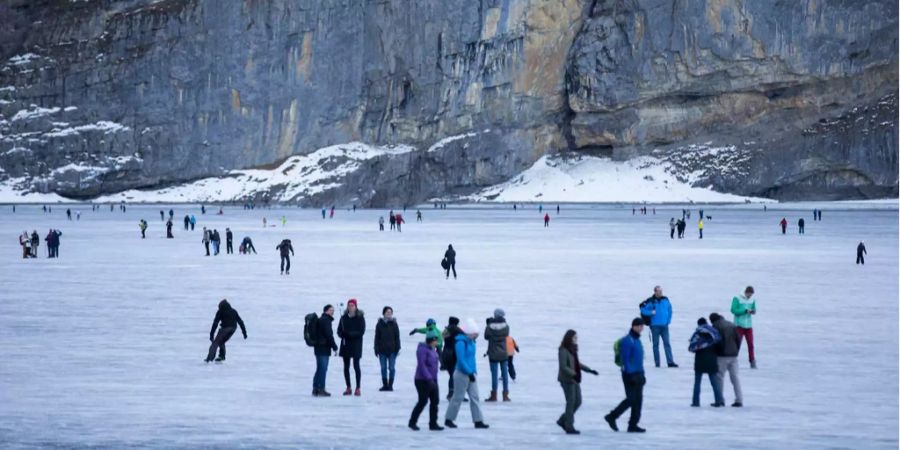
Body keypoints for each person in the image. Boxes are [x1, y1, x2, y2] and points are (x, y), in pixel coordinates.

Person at [444, 319, 489, 429]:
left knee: (475, 397)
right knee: (457, 397)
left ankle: (478, 420)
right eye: (474, 334)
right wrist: (469, 373)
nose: (476, 336)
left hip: (471, 373)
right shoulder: (460, 342)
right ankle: (449, 419)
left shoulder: (471, 342)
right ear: (468, 332)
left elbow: (471, 359)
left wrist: (473, 372)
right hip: (461, 373)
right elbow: (461, 360)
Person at [605, 318, 646, 433]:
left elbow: (639, 360)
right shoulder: (627, 341)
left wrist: (642, 374)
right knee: (631, 399)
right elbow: (626, 360)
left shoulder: (637, 340)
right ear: (633, 326)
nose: (641, 328)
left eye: (642, 326)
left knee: (638, 400)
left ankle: (633, 425)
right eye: (639, 326)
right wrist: (630, 374)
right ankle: (612, 416)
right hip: (629, 375)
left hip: (638, 373)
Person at [557, 330, 598, 434]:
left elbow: (576, 364)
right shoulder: (563, 350)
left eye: (576, 338)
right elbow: (563, 367)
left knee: (578, 402)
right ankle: (569, 426)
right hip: (567, 380)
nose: (576, 339)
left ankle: (562, 420)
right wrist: (573, 374)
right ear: (569, 338)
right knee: (571, 403)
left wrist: (589, 370)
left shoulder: (573, 349)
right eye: (574, 338)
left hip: (575, 380)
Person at [409, 331, 443, 431]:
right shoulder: (422, 350)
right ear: (432, 340)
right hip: (422, 380)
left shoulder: (433, 349)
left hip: (433, 379)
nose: (438, 342)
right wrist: (429, 379)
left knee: (435, 401)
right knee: (423, 401)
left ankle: (433, 423)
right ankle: (412, 422)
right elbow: (422, 365)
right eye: (436, 340)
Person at [709, 313, 743, 407]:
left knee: (719, 378)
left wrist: (715, 353)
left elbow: (716, 341)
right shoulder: (732, 324)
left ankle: (720, 399)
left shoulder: (716, 326)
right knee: (735, 378)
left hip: (721, 356)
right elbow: (738, 339)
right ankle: (739, 399)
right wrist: (736, 350)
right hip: (733, 355)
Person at [639, 286, 677, 368]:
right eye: (658, 291)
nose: (660, 293)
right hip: (654, 326)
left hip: (664, 326)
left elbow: (670, 310)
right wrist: (651, 312)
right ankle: (657, 363)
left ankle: (670, 362)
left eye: (661, 291)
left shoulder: (665, 300)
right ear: (655, 292)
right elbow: (642, 309)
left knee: (667, 344)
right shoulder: (651, 301)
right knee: (656, 345)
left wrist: (668, 320)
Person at [689, 318, 723, 407]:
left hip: (699, 361)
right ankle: (718, 401)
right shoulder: (714, 333)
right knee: (715, 383)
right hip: (712, 360)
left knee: (697, 383)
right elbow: (720, 346)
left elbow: (691, 348)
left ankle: (696, 402)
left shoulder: (697, 334)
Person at [338, 299, 366, 396]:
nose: (350, 307)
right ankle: (348, 387)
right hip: (346, 345)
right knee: (346, 367)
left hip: (356, 345)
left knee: (356, 366)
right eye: (349, 305)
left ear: (356, 306)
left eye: (352, 305)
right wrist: (342, 334)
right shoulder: (343, 318)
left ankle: (358, 387)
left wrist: (349, 334)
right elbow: (339, 331)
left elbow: (361, 332)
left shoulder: (360, 318)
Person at [484, 309, 511, 402]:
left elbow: (486, 336)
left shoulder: (489, 326)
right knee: (505, 374)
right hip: (504, 352)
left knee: (494, 375)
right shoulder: (506, 327)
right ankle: (505, 395)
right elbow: (506, 335)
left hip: (493, 353)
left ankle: (494, 395)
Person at [313, 304, 339, 397]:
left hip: (318, 348)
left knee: (319, 368)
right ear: (326, 311)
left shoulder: (321, 319)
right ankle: (321, 388)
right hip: (323, 348)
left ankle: (316, 388)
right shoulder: (326, 320)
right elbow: (329, 335)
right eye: (331, 310)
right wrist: (335, 347)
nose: (333, 312)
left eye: (333, 310)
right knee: (323, 369)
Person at [374, 306, 401, 392]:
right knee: (383, 368)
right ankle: (385, 385)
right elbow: (376, 337)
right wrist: (376, 348)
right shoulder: (379, 324)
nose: (389, 314)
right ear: (384, 313)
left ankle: (390, 385)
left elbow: (397, 337)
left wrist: (398, 348)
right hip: (382, 350)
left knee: (392, 368)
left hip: (392, 350)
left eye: (390, 312)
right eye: (387, 312)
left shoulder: (394, 324)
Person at [731, 286, 757, 368]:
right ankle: (732, 361)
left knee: (751, 344)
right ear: (746, 292)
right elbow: (733, 310)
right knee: (737, 345)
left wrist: (753, 311)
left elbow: (754, 309)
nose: (750, 296)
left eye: (751, 295)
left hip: (748, 326)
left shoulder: (752, 299)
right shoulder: (737, 298)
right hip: (739, 325)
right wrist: (744, 311)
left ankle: (752, 361)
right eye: (749, 295)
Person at [441, 317, 463, 400]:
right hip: (455, 353)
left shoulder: (446, 330)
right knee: (456, 375)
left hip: (446, 353)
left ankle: (451, 393)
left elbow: (441, 337)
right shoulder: (458, 330)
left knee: (451, 375)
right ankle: (456, 394)